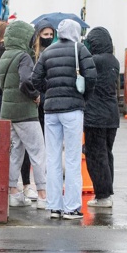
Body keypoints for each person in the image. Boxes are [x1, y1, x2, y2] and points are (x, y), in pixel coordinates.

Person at [32, 19, 97, 220]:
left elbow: (35, 79)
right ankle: (71, 208)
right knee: (72, 158)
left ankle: (54, 206)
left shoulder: (47, 52)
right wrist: (83, 97)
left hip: (51, 110)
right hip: (72, 110)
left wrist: (49, 92)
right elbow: (92, 77)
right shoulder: (80, 49)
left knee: (52, 158)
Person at [0, 20, 47, 209]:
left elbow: (2, 84)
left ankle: (13, 192)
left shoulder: (4, 56)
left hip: (7, 111)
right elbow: (26, 80)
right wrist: (35, 95)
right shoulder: (24, 56)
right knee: (38, 151)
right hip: (25, 112)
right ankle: (43, 194)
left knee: (14, 153)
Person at [83, 27, 120, 208]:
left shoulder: (94, 61)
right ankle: (107, 192)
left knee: (95, 155)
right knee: (106, 153)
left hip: (95, 116)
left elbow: (85, 82)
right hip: (111, 116)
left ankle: (102, 194)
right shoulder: (113, 60)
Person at [20, 20, 56, 201]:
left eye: (51, 35)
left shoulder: (53, 53)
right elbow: (26, 80)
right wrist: (36, 95)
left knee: (45, 147)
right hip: (33, 103)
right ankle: (27, 184)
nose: (48, 38)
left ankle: (43, 185)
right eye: (45, 35)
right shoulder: (30, 55)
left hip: (47, 104)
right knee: (30, 147)